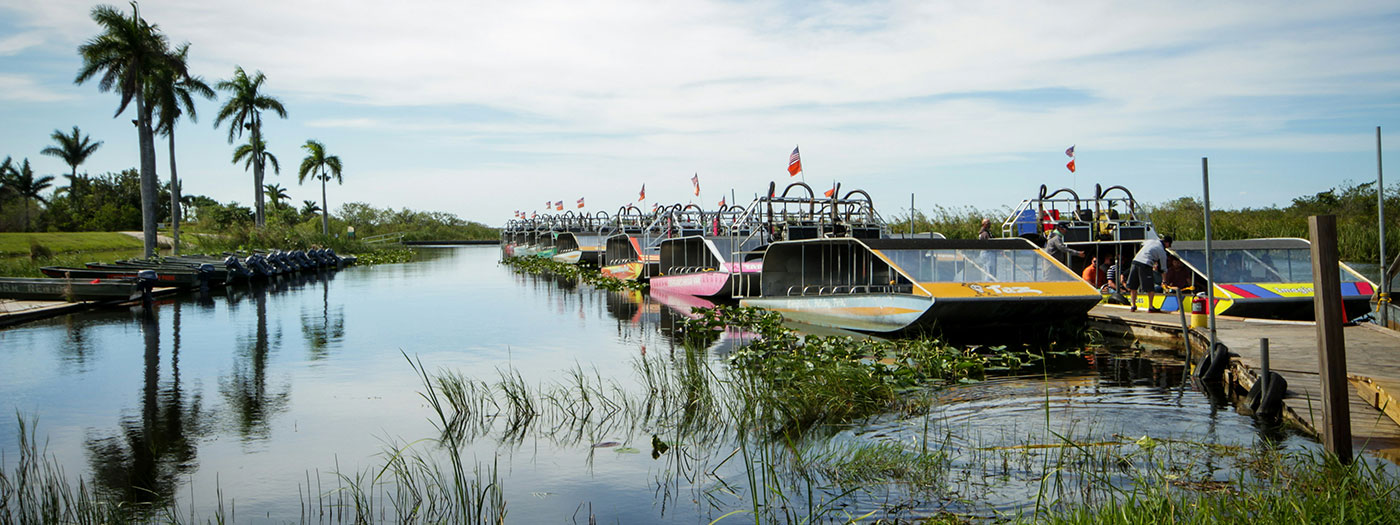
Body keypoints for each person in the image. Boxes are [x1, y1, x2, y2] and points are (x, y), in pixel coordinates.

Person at [1127, 235, 1173, 312]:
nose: (1168, 247)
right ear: (1167, 243)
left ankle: (1133, 306)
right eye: (1169, 245)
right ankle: (1151, 307)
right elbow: (1163, 269)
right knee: (1150, 287)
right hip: (1145, 264)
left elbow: (1142, 244)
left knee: (1133, 286)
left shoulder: (1151, 241)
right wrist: (1164, 281)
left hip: (1135, 261)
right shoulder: (1161, 251)